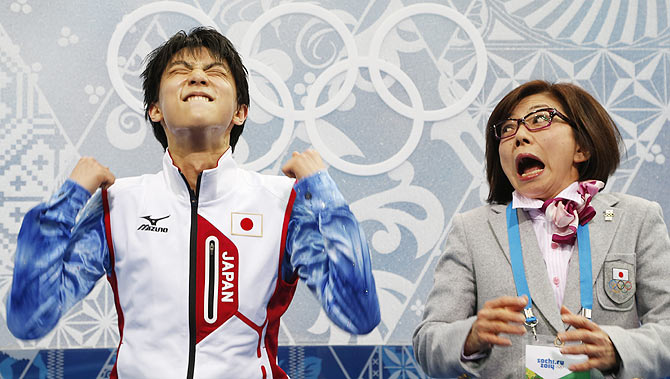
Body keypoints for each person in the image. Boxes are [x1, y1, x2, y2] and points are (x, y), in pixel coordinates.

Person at [7, 27, 380, 379]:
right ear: (155, 109)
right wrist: (70, 196)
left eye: (214, 72)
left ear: (240, 112)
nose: (198, 77)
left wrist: (324, 195)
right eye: (181, 71)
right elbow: (29, 318)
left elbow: (359, 313)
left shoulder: (284, 204)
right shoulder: (117, 204)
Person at [413, 80, 670, 378]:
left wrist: (618, 348)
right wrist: (470, 338)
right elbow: (427, 341)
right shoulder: (472, 230)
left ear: (582, 147)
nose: (519, 135)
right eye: (507, 129)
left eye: (539, 120)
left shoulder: (637, 219)